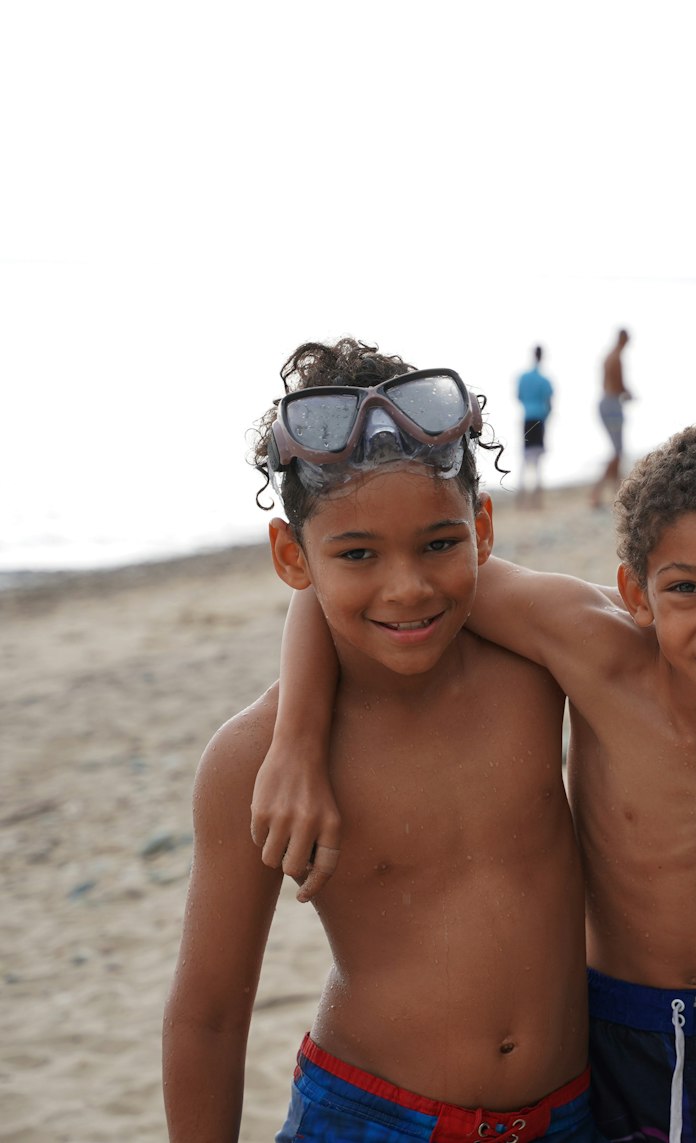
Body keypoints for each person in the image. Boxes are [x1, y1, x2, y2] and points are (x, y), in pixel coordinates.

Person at [254, 418, 696, 1143]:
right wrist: (296, 739)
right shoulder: (591, 648)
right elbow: (353, 573)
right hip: (611, 1029)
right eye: (687, 588)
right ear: (637, 592)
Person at [162, 339, 600, 1142]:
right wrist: (296, 735)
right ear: (292, 556)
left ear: (483, 527)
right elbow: (209, 1016)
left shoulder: (534, 665)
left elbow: (671, 625)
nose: (407, 587)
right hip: (369, 1116)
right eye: (358, 555)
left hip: (573, 1112)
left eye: (439, 543)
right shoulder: (251, 760)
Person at [588, 328, 631, 508]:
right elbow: (620, 385)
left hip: (605, 403)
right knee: (617, 451)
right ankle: (596, 493)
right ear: (624, 340)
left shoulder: (608, 356)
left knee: (616, 451)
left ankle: (616, 491)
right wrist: (629, 394)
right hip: (612, 405)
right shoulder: (616, 358)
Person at [517, 344, 555, 508]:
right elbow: (549, 402)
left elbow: (518, 396)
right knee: (537, 460)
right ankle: (537, 502)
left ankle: (521, 500)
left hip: (527, 418)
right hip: (539, 419)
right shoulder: (544, 380)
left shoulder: (524, 377)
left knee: (525, 458)